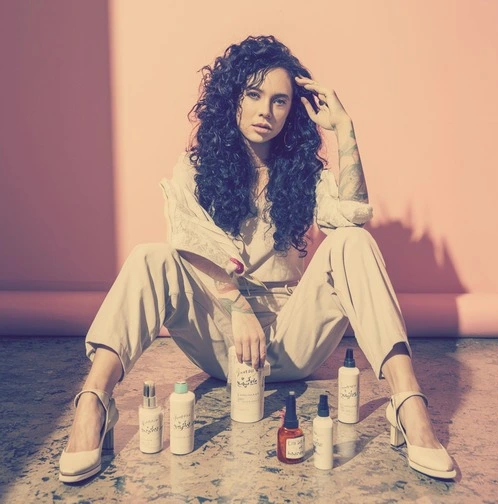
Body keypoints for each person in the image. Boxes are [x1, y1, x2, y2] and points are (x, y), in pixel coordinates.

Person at [58, 35, 455, 483]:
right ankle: (94, 402)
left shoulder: (307, 175)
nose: (266, 110)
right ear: (234, 100)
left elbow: (352, 213)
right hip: (222, 341)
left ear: (292, 111)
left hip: (291, 339)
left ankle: (408, 404)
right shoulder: (196, 168)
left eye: (280, 101)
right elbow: (189, 237)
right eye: (254, 94)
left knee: (352, 242)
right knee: (151, 256)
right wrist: (237, 307)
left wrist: (345, 130)